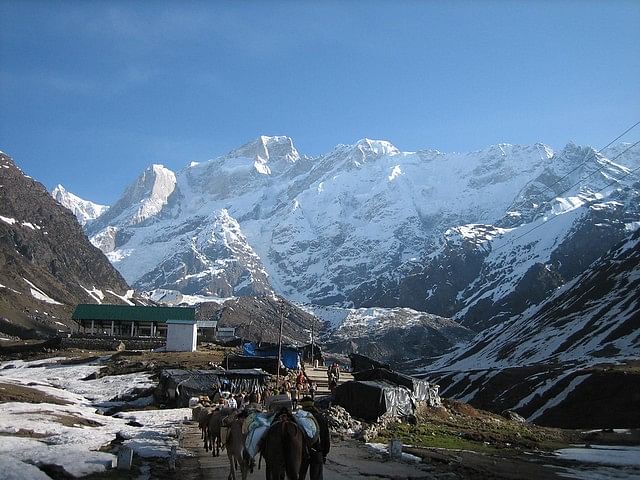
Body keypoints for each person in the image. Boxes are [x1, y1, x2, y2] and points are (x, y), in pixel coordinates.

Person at [299, 396, 330, 480]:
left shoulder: (300, 418)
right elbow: (326, 438)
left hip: (302, 453)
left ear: (303, 406)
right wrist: (324, 454)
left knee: (300, 476)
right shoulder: (321, 418)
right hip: (317, 451)